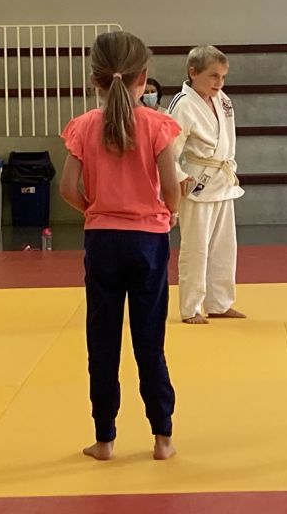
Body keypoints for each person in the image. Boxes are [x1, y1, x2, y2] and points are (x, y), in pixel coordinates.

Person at [61, 30, 185, 461]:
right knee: (150, 341)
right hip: (148, 240)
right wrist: (168, 211)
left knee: (102, 341)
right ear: (143, 77)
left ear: (94, 79)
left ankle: (105, 439)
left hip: (102, 240)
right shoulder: (157, 125)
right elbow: (172, 187)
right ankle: (162, 437)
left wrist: (95, 210)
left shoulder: (83, 127)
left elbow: (67, 188)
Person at [167, 45, 244, 324]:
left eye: (223, 77)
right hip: (196, 181)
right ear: (193, 72)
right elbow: (167, 149)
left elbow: (227, 140)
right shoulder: (182, 104)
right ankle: (191, 308)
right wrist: (178, 175)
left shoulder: (223, 100)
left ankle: (220, 303)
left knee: (224, 247)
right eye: (213, 76)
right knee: (195, 247)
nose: (219, 83)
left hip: (222, 179)